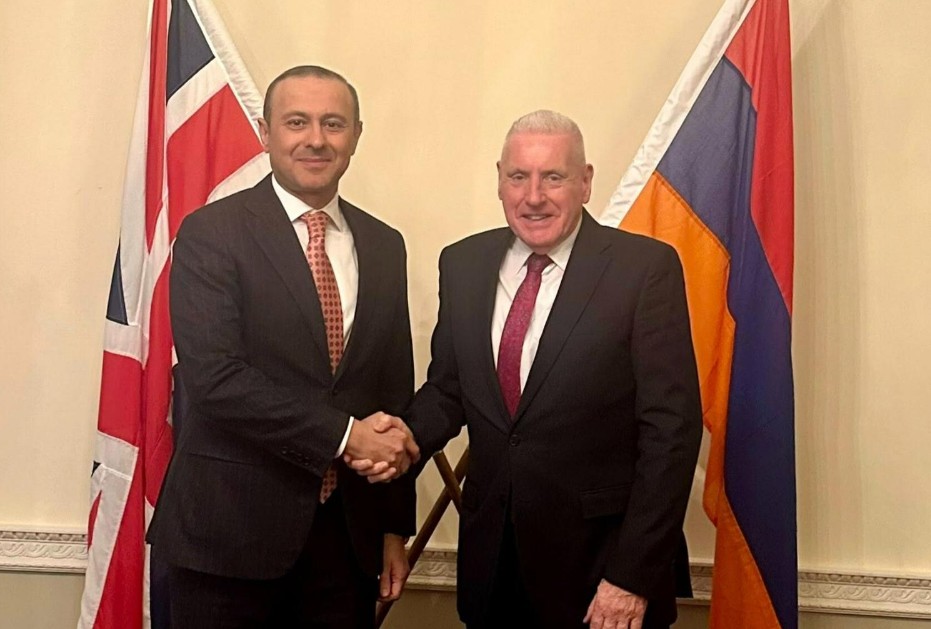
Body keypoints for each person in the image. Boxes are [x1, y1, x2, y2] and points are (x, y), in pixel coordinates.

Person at [356, 110, 702, 628]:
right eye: (519, 177)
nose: (533, 196)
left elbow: (671, 433)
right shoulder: (464, 263)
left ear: (585, 182)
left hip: (602, 575)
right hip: (493, 568)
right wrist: (403, 437)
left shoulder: (643, 269)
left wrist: (632, 577)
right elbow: (449, 389)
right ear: (500, 180)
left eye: (553, 177)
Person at [147, 65, 419, 628]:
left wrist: (394, 527)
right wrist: (344, 436)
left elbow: (391, 391)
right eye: (297, 122)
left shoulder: (384, 244)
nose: (316, 139)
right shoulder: (210, 233)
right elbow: (216, 380)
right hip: (227, 540)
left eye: (333, 123)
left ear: (356, 136)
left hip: (346, 543)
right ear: (265, 132)